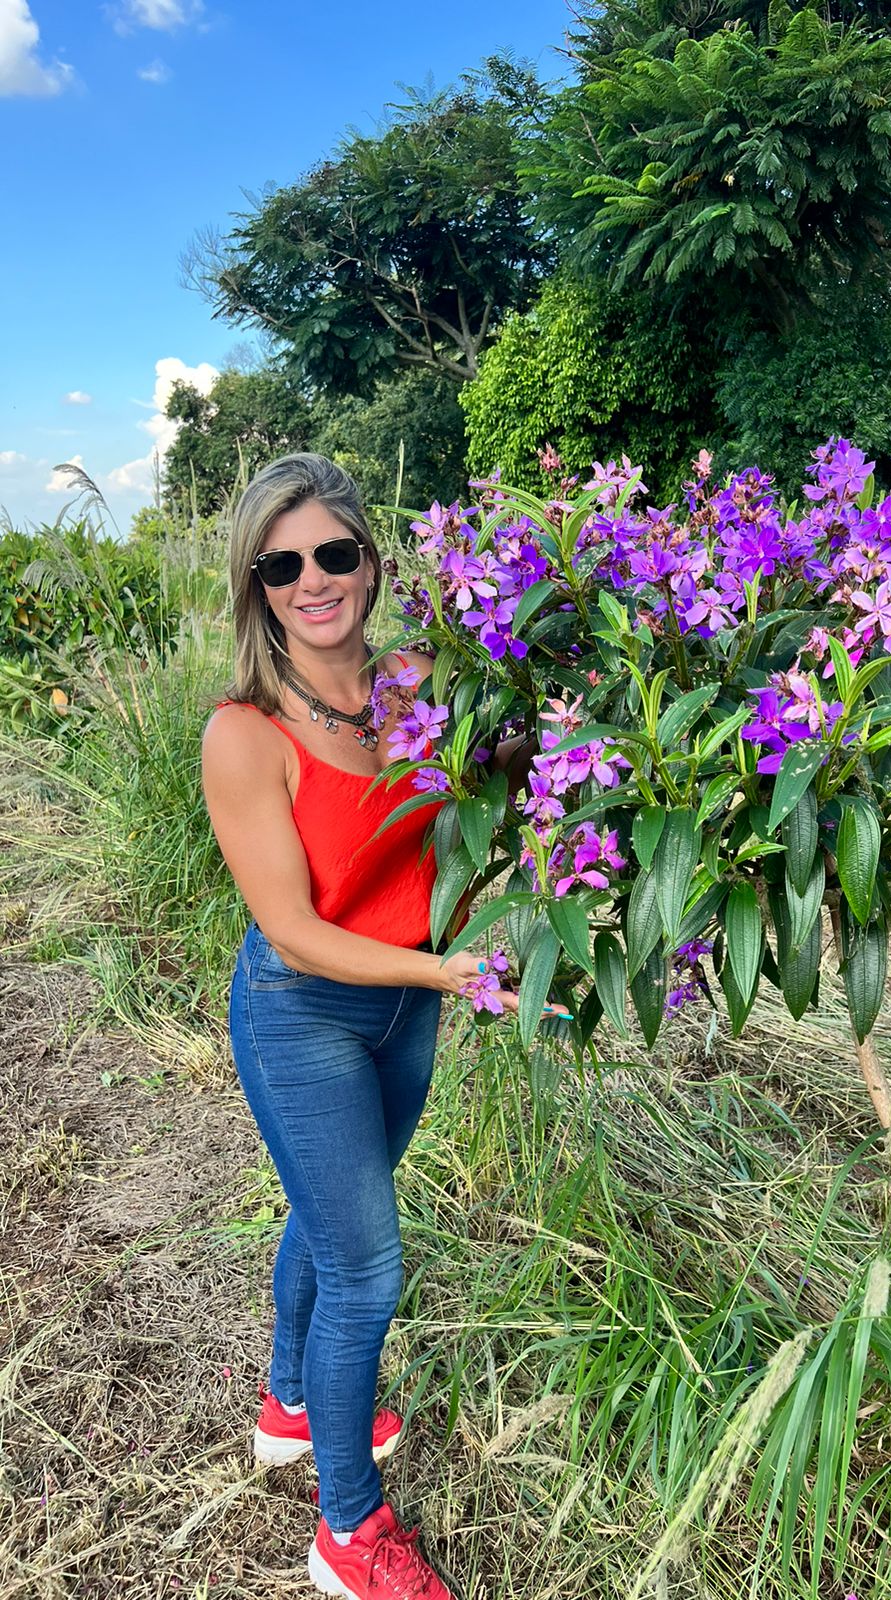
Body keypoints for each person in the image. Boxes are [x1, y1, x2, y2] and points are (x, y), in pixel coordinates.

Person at [202, 454, 558, 1600]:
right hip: (305, 1010)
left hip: (407, 1002)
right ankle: (346, 1531)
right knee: (367, 1264)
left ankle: (289, 1400)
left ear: (374, 560)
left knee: (329, 1208)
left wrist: (528, 754)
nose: (315, 580)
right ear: (258, 586)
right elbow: (297, 931)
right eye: (284, 563)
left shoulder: (412, 685)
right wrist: (446, 971)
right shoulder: (245, 734)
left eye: (335, 554)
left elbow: (465, 777)